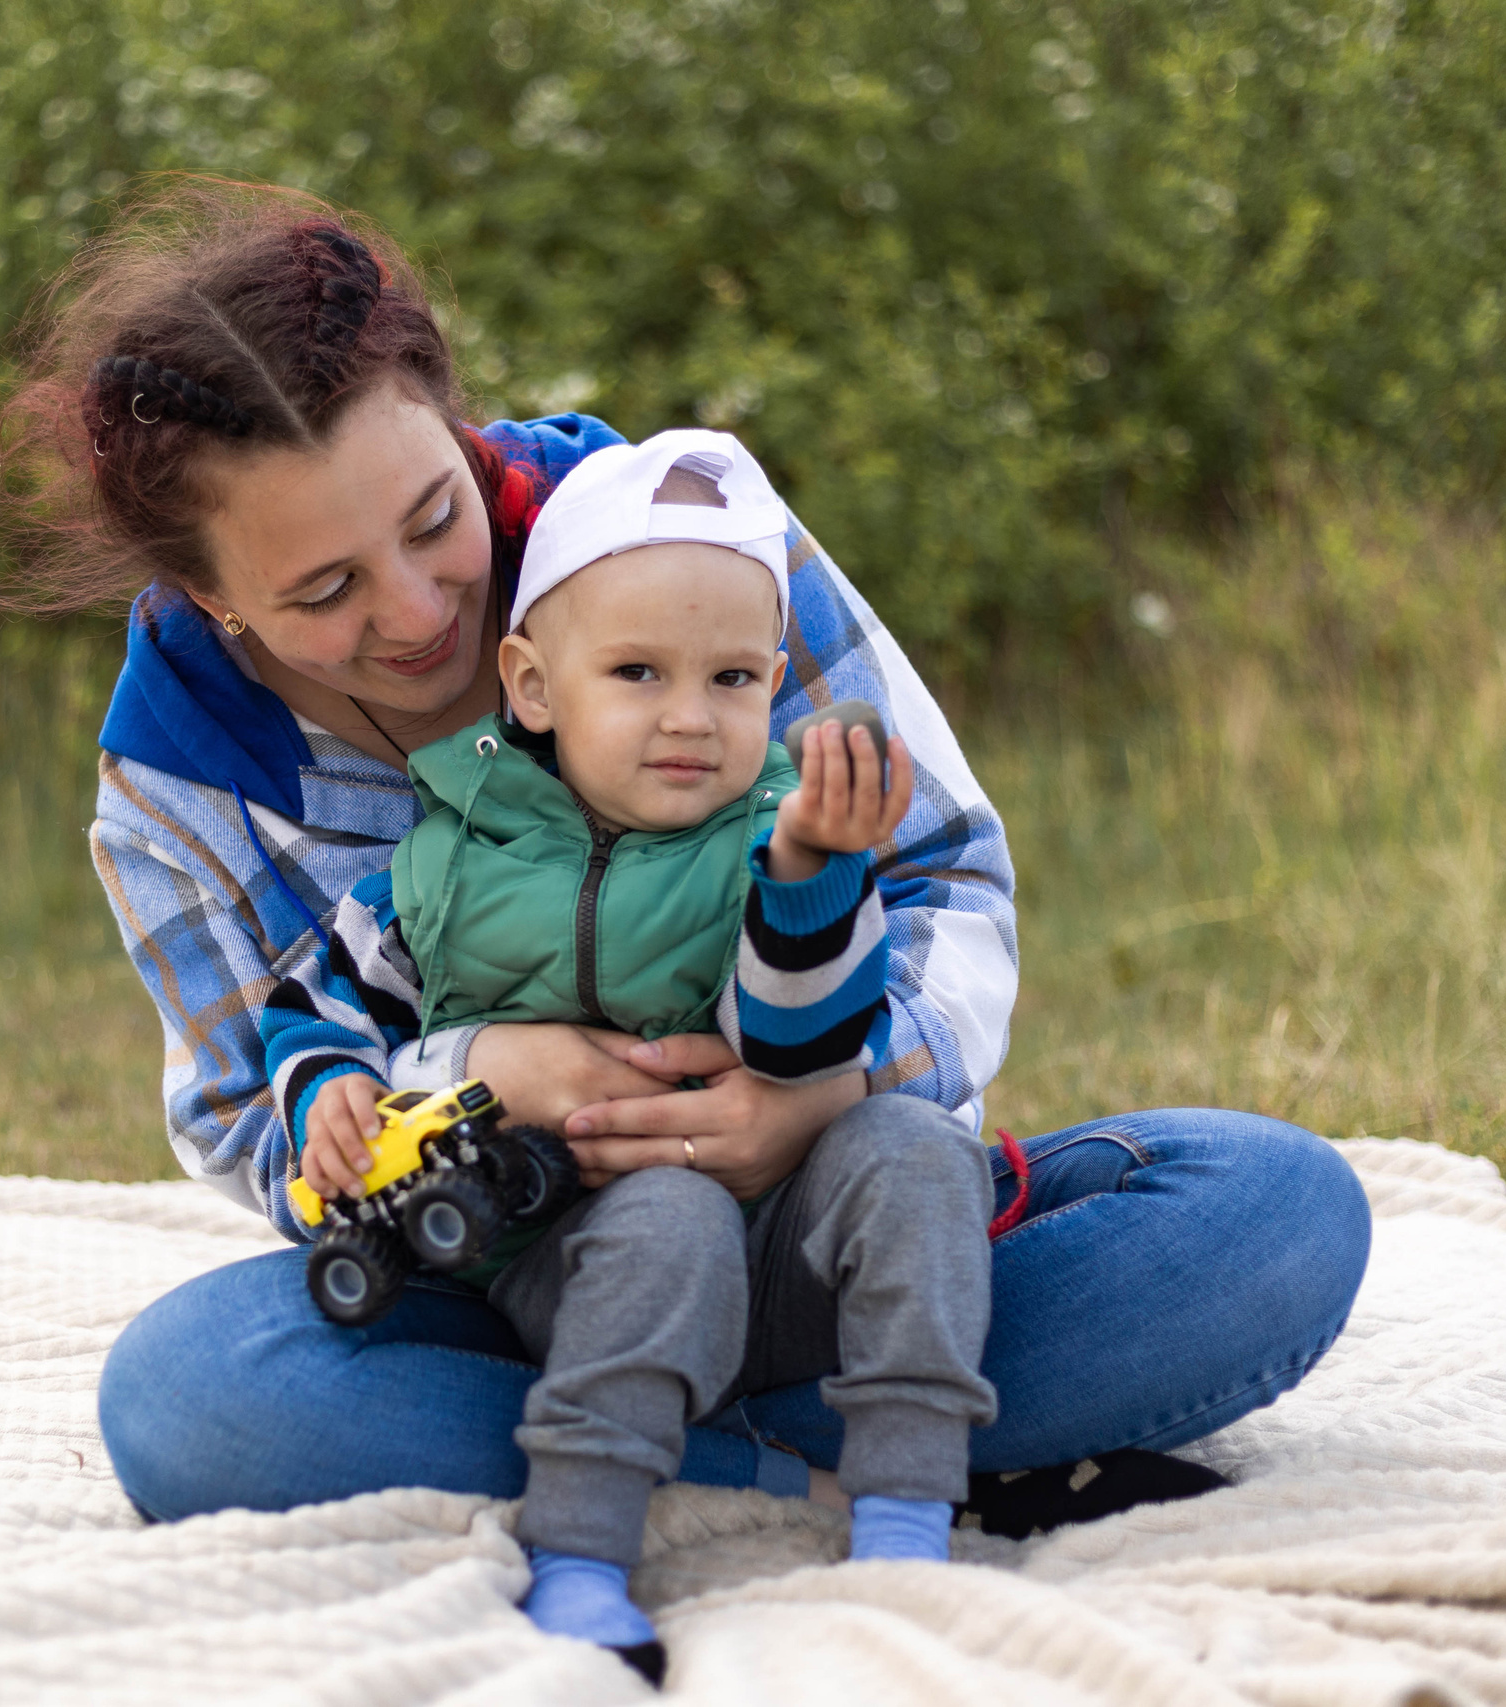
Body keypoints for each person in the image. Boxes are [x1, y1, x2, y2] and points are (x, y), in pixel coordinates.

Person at [0, 180, 1370, 1630]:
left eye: (435, 516)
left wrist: (816, 1098)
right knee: (193, 1398)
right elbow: (252, 1118)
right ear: (214, 600)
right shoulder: (178, 782)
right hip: (523, 1289)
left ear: (455, 419)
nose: (418, 611)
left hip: (829, 1225)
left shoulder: (685, 540)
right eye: (322, 588)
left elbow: (942, 868)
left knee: (1271, 1211)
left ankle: (709, 1449)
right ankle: (884, 1458)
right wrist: (466, 1077)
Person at [262, 429, 997, 1677]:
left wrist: (812, 877)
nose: (688, 719)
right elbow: (318, 1007)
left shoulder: (776, 833)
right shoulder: (446, 861)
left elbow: (804, 1038)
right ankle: (584, 1557)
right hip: (577, 1248)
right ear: (535, 687)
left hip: (787, 1235)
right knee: (659, 1219)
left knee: (921, 1152)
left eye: (729, 682)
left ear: (776, 684)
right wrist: (334, 1090)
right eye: (638, 673)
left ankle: (905, 1514)